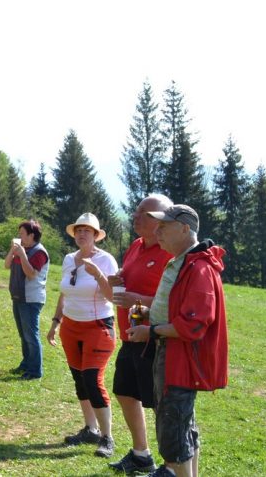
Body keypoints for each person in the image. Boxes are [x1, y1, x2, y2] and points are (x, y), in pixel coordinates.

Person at [126, 204, 227, 477]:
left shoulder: (199, 267)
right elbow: (181, 310)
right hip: (171, 354)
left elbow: (194, 324)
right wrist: (150, 313)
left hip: (179, 360)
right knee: (183, 429)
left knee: (174, 433)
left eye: (164, 226)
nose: (157, 231)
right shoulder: (182, 260)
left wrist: (152, 331)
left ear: (184, 228)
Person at [106, 194, 175, 474]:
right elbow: (131, 275)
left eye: (143, 213)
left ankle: (171, 465)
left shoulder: (170, 251)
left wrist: (137, 297)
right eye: (136, 211)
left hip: (154, 338)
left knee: (162, 404)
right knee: (124, 392)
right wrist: (119, 279)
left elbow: (172, 301)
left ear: (160, 220)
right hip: (130, 335)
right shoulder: (136, 245)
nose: (135, 216)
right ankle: (141, 454)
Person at [46, 213, 119, 458]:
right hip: (70, 327)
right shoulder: (68, 259)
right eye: (78, 230)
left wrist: (98, 274)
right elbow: (65, 292)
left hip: (98, 326)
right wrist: (56, 321)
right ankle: (91, 429)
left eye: (87, 230)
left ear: (96, 235)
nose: (82, 234)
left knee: (92, 379)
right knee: (79, 379)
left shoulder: (107, 260)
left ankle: (107, 437)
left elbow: (114, 297)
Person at [3, 219, 50, 379]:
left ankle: (35, 371)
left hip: (31, 299)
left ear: (32, 235)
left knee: (31, 335)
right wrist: (13, 250)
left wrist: (22, 254)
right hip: (18, 296)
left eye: (22, 234)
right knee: (23, 334)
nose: (20, 237)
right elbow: (7, 265)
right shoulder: (23, 248)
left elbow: (31, 273)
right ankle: (26, 364)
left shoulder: (39, 252)